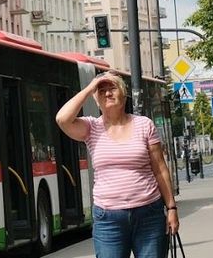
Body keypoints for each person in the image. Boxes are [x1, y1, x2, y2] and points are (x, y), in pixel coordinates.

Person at [56, 71, 178, 258]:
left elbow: (160, 169)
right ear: (96, 100)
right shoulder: (91, 127)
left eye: (112, 88)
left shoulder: (144, 125)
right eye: (101, 90)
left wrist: (171, 208)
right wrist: (90, 87)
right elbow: (62, 119)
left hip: (149, 214)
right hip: (108, 219)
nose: (107, 93)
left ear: (124, 94)